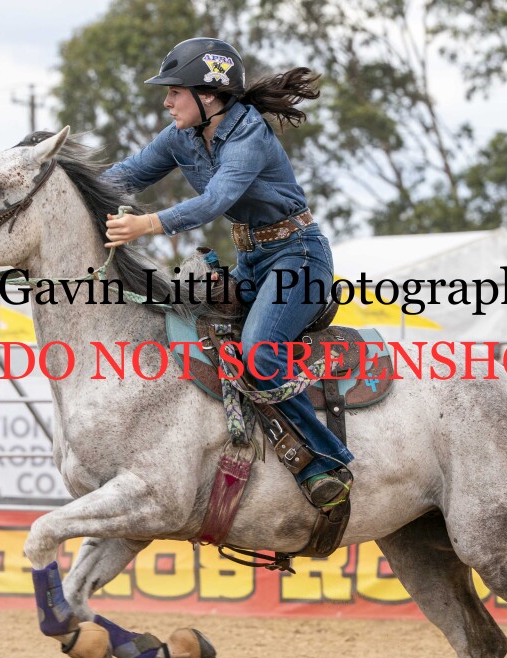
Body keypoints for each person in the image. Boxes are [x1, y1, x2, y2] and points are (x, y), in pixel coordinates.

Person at [100, 37, 353, 508]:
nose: (167, 101)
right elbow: (124, 176)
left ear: (209, 95)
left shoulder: (249, 134)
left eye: (175, 91)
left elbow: (215, 201)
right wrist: (62, 186)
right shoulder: (180, 136)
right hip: (253, 259)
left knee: (258, 354)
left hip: (298, 258)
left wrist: (146, 225)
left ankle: (326, 462)